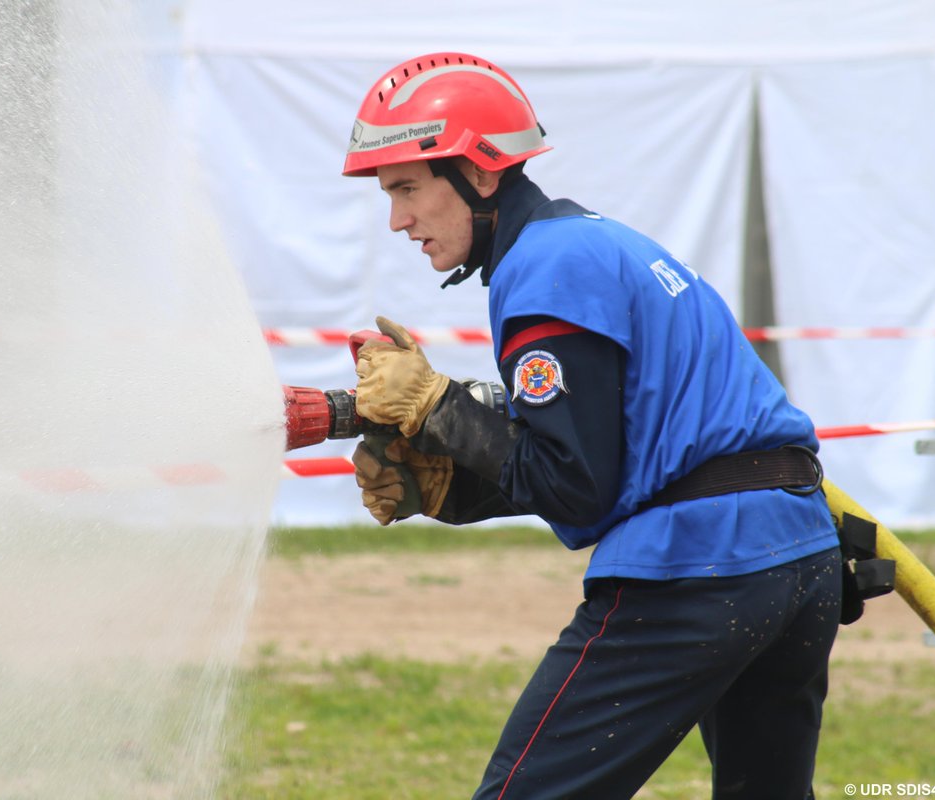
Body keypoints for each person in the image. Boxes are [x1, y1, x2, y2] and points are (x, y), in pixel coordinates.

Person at [343, 52, 843, 799]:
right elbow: (625, 454)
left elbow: (578, 486)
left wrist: (436, 406)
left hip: (702, 568)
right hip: (799, 560)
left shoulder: (544, 266)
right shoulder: (593, 242)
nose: (398, 220)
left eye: (408, 188)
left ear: (480, 173)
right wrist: (461, 484)